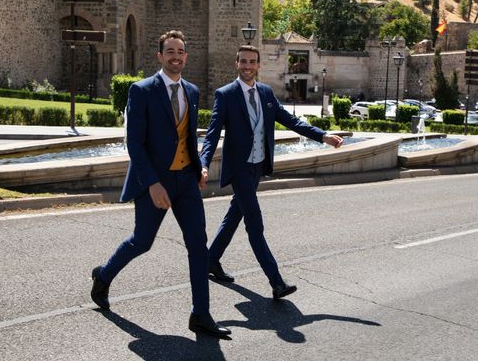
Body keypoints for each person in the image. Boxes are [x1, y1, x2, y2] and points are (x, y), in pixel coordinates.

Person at [90, 30, 230, 338]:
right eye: (170, 51)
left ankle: (201, 314)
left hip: (187, 181)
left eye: (180, 51)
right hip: (155, 181)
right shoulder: (142, 91)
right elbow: (135, 144)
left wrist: (199, 167)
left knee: (198, 246)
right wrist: (152, 183)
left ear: (185, 56)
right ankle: (104, 275)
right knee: (143, 241)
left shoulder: (191, 92)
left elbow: (188, 138)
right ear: (160, 56)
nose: (175, 56)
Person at [199, 45, 343, 299]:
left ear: (258, 65)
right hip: (240, 168)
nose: (247, 66)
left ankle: (211, 259)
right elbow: (212, 135)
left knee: (235, 214)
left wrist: (323, 136)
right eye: (243, 61)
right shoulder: (226, 95)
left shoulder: (265, 93)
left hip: (258, 166)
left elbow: (291, 121)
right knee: (255, 223)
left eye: (252, 62)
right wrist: (203, 163)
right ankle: (276, 281)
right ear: (236, 63)